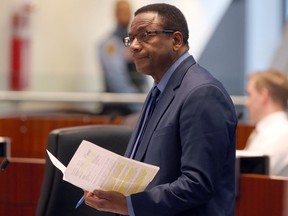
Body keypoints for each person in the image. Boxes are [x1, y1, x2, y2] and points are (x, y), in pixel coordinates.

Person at [84, 3, 238, 215]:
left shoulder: (202, 94)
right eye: (131, 39)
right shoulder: (160, 88)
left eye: (145, 35)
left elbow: (197, 184)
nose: (134, 46)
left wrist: (128, 205)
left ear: (176, 40)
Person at [98, 0, 149, 115]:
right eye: (122, 11)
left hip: (135, 104)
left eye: (128, 11)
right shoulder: (110, 44)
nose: (126, 14)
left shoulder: (131, 40)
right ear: (115, 14)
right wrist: (140, 106)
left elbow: (142, 72)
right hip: (119, 109)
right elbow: (117, 81)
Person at [244, 69, 288, 177]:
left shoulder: (278, 134)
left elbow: (251, 177)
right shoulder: (273, 131)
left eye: (250, 95)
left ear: (264, 95)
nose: (246, 103)